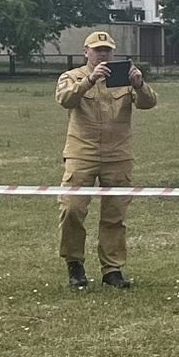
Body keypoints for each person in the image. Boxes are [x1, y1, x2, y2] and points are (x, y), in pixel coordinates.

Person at [55, 32, 156, 291]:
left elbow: (148, 103)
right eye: (98, 50)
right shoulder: (72, 77)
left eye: (107, 50)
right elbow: (65, 99)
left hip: (118, 155)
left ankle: (112, 269)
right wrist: (89, 80)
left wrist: (139, 84)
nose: (103, 54)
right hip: (82, 153)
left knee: (115, 215)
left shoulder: (124, 78)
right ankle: (74, 264)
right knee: (72, 209)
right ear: (85, 52)